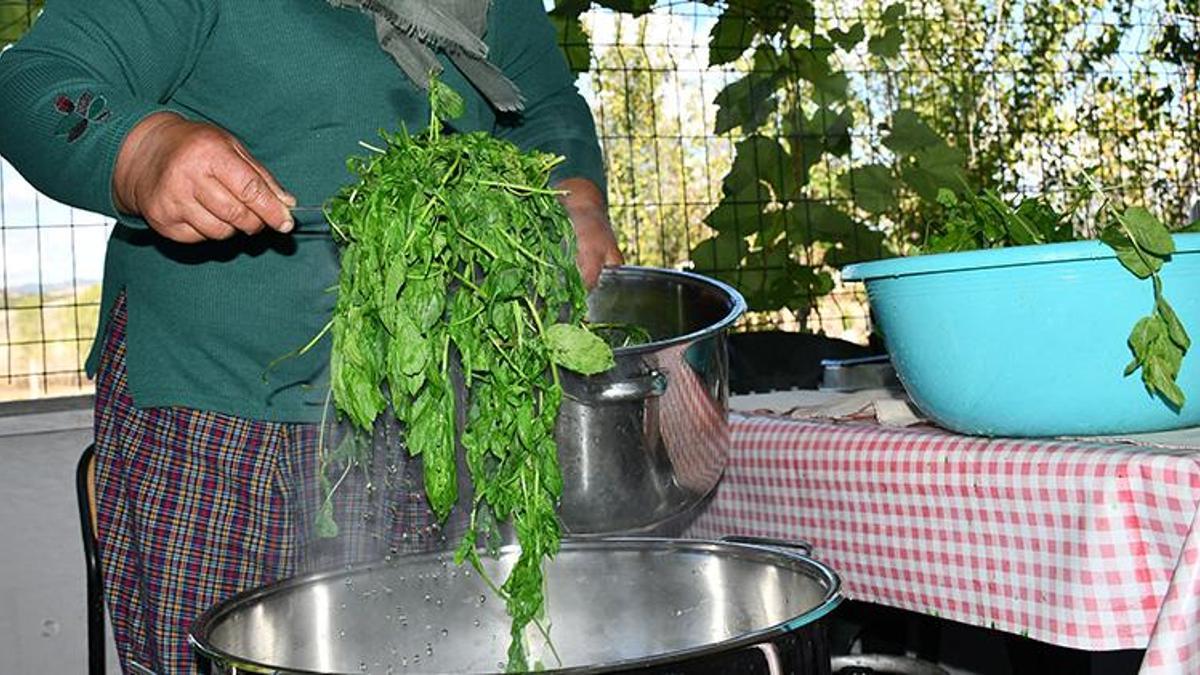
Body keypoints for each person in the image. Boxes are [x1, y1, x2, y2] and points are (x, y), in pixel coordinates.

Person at [0, 1, 622, 672]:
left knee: (428, 649)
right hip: (223, 422)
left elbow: (545, 104)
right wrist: (142, 151)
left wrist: (577, 192)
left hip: (428, 411)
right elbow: (34, 79)